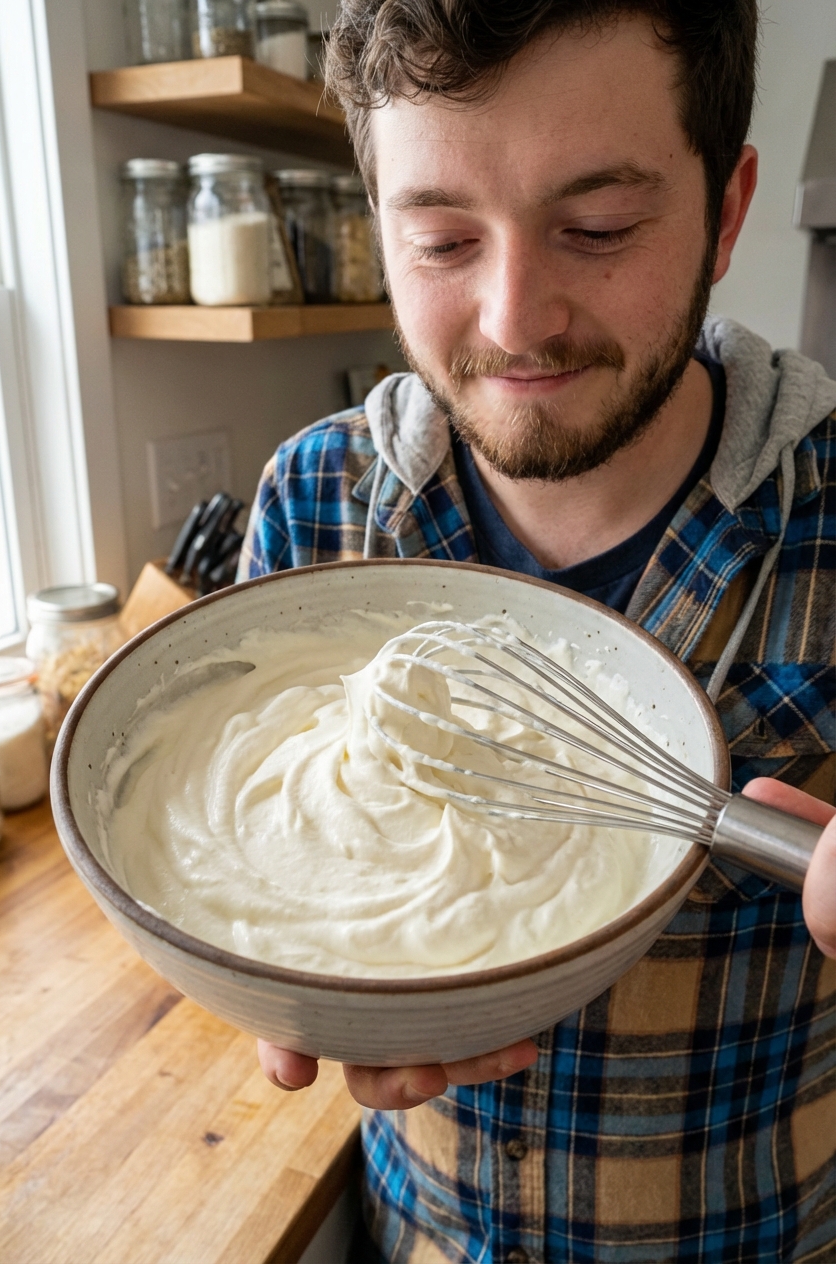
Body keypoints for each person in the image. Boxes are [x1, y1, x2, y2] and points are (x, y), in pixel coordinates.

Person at [237, 1, 836, 1258]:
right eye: (444, 237)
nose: (515, 316)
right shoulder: (315, 505)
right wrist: (267, 967)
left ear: (726, 212)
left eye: (597, 228)